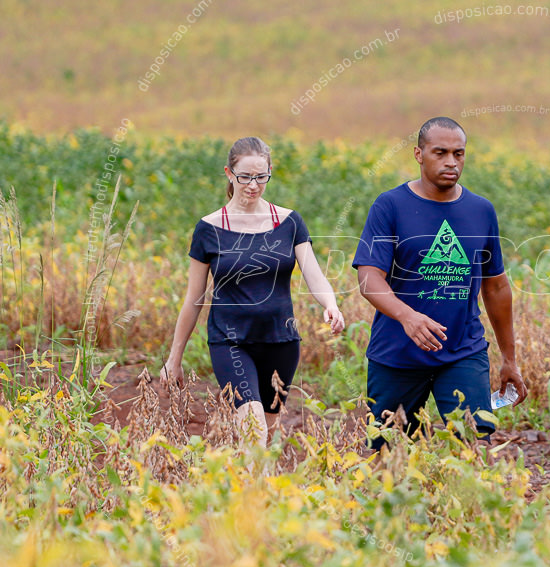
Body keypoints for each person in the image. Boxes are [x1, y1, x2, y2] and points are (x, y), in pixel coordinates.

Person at [352, 117, 526, 451]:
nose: (451, 162)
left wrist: (509, 359)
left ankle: (466, 503)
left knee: (473, 445)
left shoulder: (480, 210)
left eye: (459, 154)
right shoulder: (390, 206)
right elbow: (369, 279)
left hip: (463, 351)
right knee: (388, 452)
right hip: (397, 354)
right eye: (440, 153)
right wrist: (407, 317)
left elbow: (496, 287)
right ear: (419, 154)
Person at [161, 136, 345, 447]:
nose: (253, 185)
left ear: (270, 173)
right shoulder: (208, 228)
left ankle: (256, 490)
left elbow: (314, 275)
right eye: (245, 177)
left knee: (268, 433)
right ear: (229, 173)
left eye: (261, 177)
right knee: (253, 430)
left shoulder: (289, 222)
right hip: (230, 341)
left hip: (281, 342)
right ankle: (249, 491)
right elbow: (194, 298)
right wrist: (174, 358)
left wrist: (331, 304)